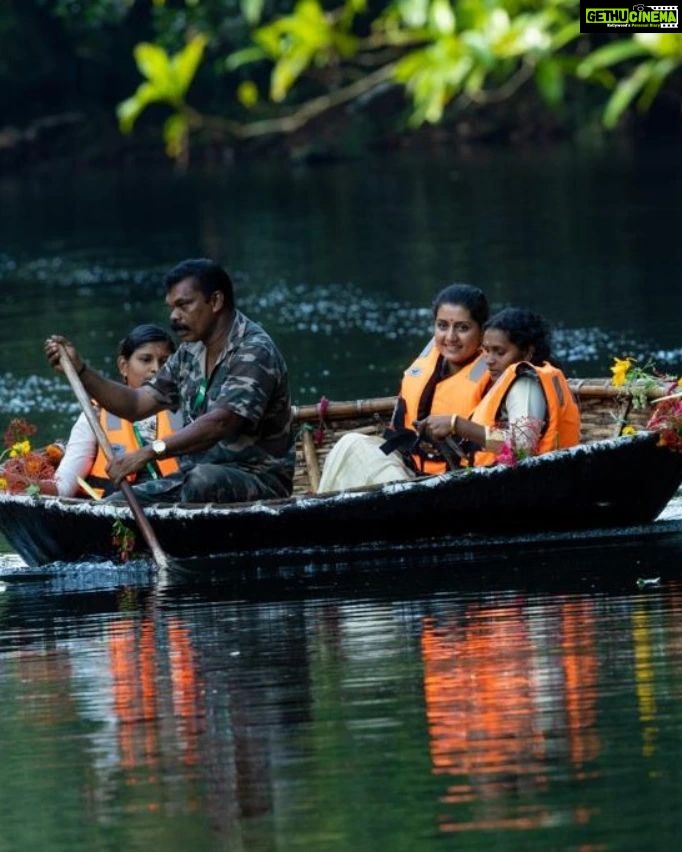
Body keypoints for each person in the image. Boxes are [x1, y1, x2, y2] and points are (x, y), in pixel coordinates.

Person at [44, 258, 294, 504]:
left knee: (201, 480)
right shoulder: (190, 351)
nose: (174, 316)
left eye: (184, 305)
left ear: (216, 301)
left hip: (258, 481)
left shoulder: (253, 351)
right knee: (117, 506)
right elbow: (136, 404)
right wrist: (82, 370)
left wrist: (149, 452)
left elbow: (221, 422)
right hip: (192, 478)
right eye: (172, 307)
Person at [317, 283, 490, 491]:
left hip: (457, 485)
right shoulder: (428, 365)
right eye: (442, 326)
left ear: (482, 331)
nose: (450, 337)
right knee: (349, 444)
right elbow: (396, 433)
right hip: (411, 474)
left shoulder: (494, 374)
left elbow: (512, 444)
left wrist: (457, 424)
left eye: (462, 328)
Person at [415, 307, 581, 465]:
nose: (489, 360)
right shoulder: (509, 380)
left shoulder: (526, 384)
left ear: (527, 353)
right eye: (486, 350)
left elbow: (522, 450)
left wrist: (456, 424)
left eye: (499, 352)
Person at [41, 324, 180, 498]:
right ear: (123, 366)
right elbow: (63, 487)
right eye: (145, 360)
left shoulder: (190, 408)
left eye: (165, 362)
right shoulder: (94, 415)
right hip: (117, 510)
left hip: (180, 498)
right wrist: (22, 485)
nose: (156, 369)